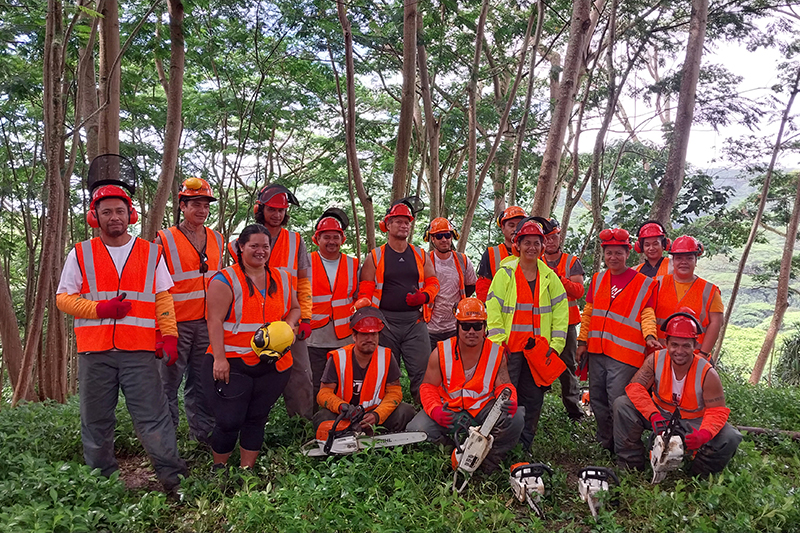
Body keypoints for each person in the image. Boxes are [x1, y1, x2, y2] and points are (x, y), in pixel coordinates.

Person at [55, 154, 186, 494]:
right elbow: (63, 299)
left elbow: (163, 299)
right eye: (106, 211)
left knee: (153, 418)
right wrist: (101, 309)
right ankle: (103, 484)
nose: (114, 217)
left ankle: (174, 480)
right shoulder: (80, 253)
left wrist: (168, 336)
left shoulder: (150, 252)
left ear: (131, 214)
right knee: (96, 421)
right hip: (94, 353)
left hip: (139, 352)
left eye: (119, 211)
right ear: (94, 216)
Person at [204, 224, 301, 469]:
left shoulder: (283, 278)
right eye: (254, 246)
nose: (260, 251)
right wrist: (219, 358)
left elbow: (296, 308)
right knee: (229, 419)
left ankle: (246, 471)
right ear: (241, 247)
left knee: (257, 418)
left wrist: (287, 327)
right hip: (233, 360)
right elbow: (213, 320)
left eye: (265, 246)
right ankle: (219, 470)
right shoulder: (224, 279)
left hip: (273, 363)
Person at [614, 312, 742, 474]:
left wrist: (703, 434)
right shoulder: (655, 360)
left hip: (693, 421)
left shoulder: (707, 372)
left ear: (695, 345)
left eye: (686, 345)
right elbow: (635, 388)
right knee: (622, 405)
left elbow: (716, 410)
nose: (679, 351)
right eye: (674, 345)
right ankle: (630, 465)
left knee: (729, 436)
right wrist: (653, 415)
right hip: (661, 415)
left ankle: (698, 475)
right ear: (666, 343)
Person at [407, 298, 523, 473]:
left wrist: (510, 399)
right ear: (457, 326)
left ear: (484, 327)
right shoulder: (440, 352)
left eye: (477, 326)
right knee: (417, 429)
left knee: (516, 418)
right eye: (466, 325)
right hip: (450, 411)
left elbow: (504, 386)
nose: (471, 331)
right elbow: (428, 386)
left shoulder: (496, 353)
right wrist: (435, 410)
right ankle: (454, 451)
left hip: (484, 410)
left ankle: (490, 460)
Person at [230, 184, 314, 419]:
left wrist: (305, 316)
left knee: (300, 374)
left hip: (289, 319)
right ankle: (248, 423)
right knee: (248, 373)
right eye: (272, 209)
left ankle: (301, 423)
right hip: (251, 320)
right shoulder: (244, 241)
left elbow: (304, 283)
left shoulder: (296, 241)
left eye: (281, 210)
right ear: (261, 209)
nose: (277, 215)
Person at [485, 218, 569, 448]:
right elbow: (493, 310)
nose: (531, 248)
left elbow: (561, 314)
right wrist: (498, 343)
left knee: (533, 398)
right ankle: (502, 441)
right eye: (527, 243)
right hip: (510, 348)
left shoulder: (550, 277)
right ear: (518, 245)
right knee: (506, 396)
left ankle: (525, 443)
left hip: (537, 351)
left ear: (543, 246)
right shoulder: (506, 273)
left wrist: (556, 345)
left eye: (536, 243)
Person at [577, 227, 660, 452]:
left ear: (628, 254)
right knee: (597, 400)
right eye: (609, 253)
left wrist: (650, 335)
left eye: (618, 253)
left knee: (618, 401)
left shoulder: (643, 283)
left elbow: (647, 313)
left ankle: (622, 445)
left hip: (624, 356)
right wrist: (582, 342)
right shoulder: (598, 279)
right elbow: (589, 313)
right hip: (597, 351)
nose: (613, 257)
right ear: (604, 255)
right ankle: (605, 442)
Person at [155, 177, 223, 444]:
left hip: (208, 324)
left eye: (206, 205)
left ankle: (203, 437)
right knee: (167, 386)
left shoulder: (217, 239)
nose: (202, 210)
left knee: (203, 384)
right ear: (182, 205)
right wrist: (160, 330)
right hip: (176, 325)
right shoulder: (164, 239)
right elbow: (155, 287)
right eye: (195, 204)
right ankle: (165, 441)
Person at [356, 197, 440, 401]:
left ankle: (425, 412)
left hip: (415, 322)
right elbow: (366, 289)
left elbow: (434, 283)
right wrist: (363, 306)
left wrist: (425, 296)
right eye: (399, 221)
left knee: (422, 371)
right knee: (384, 371)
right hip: (385, 323)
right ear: (388, 224)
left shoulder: (420, 255)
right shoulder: (375, 257)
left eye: (407, 222)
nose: (404, 226)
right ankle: (385, 412)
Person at [314, 307, 416, 433]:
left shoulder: (387, 356)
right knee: (322, 417)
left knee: (406, 411)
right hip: (345, 416)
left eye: (374, 334)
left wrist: (378, 415)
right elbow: (323, 393)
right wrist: (341, 406)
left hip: (375, 413)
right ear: (354, 336)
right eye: (364, 334)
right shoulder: (338, 357)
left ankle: (382, 439)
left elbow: (395, 392)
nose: (369, 339)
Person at [307, 208, 360, 403]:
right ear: (317, 239)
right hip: (314, 335)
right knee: (315, 381)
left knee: (345, 380)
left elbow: (358, 296)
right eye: (326, 237)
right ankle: (316, 423)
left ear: (342, 239)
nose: (331, 241)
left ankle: (347, 418)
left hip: (344, 334)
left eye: (335, 237)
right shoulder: (306, 262)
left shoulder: (353, 264)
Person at [542, 217, 585, 421]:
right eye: (547, 238)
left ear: (560, 237)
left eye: (554, 237)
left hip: (566, 323)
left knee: (567, 365)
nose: (550, 241)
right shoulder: (536, 260)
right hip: (541, 322)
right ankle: (538, 407)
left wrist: (560, 280)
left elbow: (578, 291)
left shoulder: (571, 261)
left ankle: (574, 410)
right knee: (540, 363)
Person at [654, 236, 723, 360]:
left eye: (689, 258)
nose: (683, 262)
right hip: (659, 355)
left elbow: (716, 323)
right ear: (673, 261)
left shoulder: (710, 291)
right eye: (679, 258)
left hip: (695, 357)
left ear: (696, 261)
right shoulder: (657, 284)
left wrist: (703, 354)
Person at [424, 217, 477, 351]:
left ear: (452, 236)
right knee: (431, 368)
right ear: (432, 239)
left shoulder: (462, 260)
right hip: (430, 328)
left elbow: (471, 285)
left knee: (454, 367)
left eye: (447, 235)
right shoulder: (425, 261)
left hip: (456, 327)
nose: (444, 239)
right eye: (439, 236)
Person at [475, 206, 526, 301]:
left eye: (519, 225)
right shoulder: (491, 254)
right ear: (503, 228)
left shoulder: (532, 252)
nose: (515, 229)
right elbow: (483, 287)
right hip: (499, 311)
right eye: (511, 225)